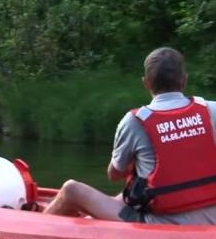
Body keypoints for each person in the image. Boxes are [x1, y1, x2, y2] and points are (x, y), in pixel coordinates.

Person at [44, 46, 216, 225]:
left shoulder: (135, 121)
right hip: (212, 218)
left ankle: (34, 232)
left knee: (71, 190)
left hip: (161, 222)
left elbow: (115, 174)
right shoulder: (211, 110)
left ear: (146, 83)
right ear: (184, 80)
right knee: (129, 192)